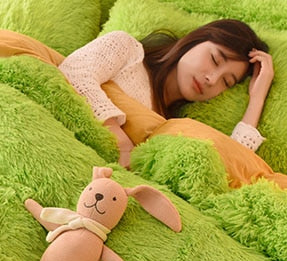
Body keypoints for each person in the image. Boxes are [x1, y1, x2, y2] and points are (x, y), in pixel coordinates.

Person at [58, 20, 274, 166]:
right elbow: (73, 74)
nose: (212, 79)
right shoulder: (126, 50)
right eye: (215, 59)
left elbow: (225, 165)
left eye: (226, 82)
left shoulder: (171, 126)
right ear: (196, 40)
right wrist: (119, 140)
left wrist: (257, 98)